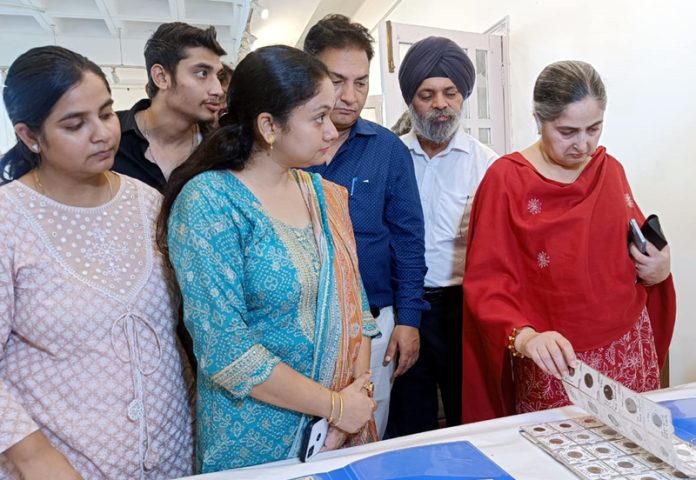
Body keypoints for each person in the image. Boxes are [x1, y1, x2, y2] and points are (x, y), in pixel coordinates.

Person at [158, 45, 379, 473]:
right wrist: (333, 406)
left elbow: (358, 312)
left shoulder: (326, 196)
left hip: (341, 430)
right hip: (255, 437)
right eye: (318, 118)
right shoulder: (210, 203)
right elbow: (226, 348)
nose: (332, 131)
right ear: (268, 126)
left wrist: (356, 400)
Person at [0, 46, 194, 479]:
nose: (102, 134)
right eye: (75, 124)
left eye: (106, 114)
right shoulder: (9, 219)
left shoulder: (147, 203)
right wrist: (36, 460)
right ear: (30, 136)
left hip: (172, 454)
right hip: (61, 464)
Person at [462, 60, 676, 423]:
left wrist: (661, 266)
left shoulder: (609, 170)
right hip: (556, 357)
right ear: (539, 119)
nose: (584, 144)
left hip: (627, 346)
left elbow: (639, 247)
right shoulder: (506, 180)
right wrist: (526, 339)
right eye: (567, 131)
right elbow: (487, 282)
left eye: (594, 128)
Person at [304, 14, 428, 439]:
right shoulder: (284, 145)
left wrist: (408, 320)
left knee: (364, 441)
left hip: (373, 328)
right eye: (337, 80)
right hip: (298, 329)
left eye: (360, 82)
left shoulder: (388, 151)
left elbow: (410, 241)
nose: (349, 96)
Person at [387, 36, 498, 437]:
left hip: (462, 309)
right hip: (404, 309)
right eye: (427, 94)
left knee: (467, 415)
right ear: (411, 100)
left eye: (450, 93)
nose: (440, 104)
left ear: (462, 96)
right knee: (407, 420)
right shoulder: (390, 156)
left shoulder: (489, 166)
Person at [113, 22, 226, 191]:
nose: (218, 90)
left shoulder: (219, 149)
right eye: (202, 73)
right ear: (161, 77)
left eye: (218, 76)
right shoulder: (110, 136)